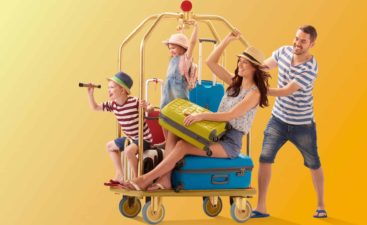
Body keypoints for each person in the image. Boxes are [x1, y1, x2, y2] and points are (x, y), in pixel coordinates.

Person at [125, 30, 270, 191]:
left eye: (245, 63)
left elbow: (230, 115)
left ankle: (144, 179)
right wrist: (228, 39)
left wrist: (200, 116)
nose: (239, 65)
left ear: (255, 68)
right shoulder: (235, 82)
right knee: (174, 131)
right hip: (214, 132)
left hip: (229, 142)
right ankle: (165, 180)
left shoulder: (254, 94)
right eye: (240, 61)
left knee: (182, 146)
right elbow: (211, 62)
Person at [252, 25, 327, 219]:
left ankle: (321, 205)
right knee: (264, 158)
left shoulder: (310, 67)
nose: (297, 43)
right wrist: (251, 69)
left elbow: (286, 90)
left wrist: (260, 89)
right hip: (278, 119)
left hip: (302, 125)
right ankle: (261, 207)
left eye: (303, 41)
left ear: (312, 44)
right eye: (296, 38)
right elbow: (264, 66)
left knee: (313, 162)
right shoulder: (284, 51)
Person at [147, 22, 199, 190]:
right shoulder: (172, 60)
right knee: (163, 123)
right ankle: (166, 141)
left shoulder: (185, 60)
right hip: (167, 103)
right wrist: (181, 30)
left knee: (171, 135)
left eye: (174, 47)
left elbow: (191, 44)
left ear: (183, 49)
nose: (171, 50)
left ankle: (165, 177)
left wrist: (195, 28)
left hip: (179, 105)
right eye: (169, 48)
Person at [86, 72, 154, 185]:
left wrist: (147, 108)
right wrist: (90, 94)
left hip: (144, 138)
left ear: (122, 90)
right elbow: (95, 107)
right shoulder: (113, 104)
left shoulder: (134, 101)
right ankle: (120, 175)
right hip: (131, 139)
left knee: (128, 151)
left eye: (112, 87)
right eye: (108, 87)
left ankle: (137, 178)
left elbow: (150, 108)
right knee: (109, 146)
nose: (109, 90)